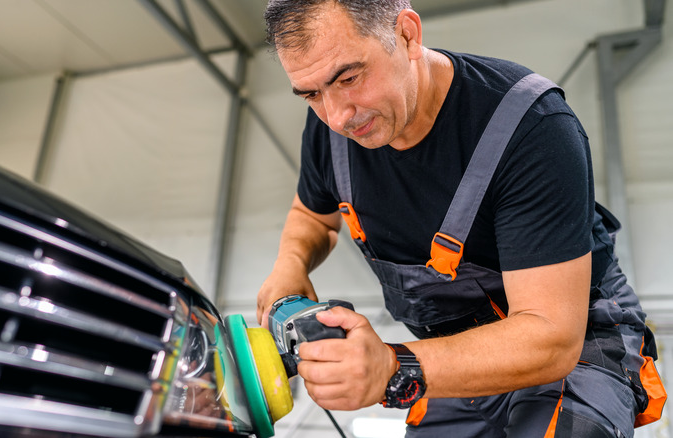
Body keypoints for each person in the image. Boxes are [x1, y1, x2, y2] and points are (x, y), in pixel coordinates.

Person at [255, 0, 665, 437]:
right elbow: (314, 217)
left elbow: (552, 336)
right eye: (312, 94)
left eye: (350, 78)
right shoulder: (330, 131)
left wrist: (392, 365)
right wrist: (290, 264)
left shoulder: (531, 127)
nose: (337, 116)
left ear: (408, 35)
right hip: (450, 359)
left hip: (573, 345)